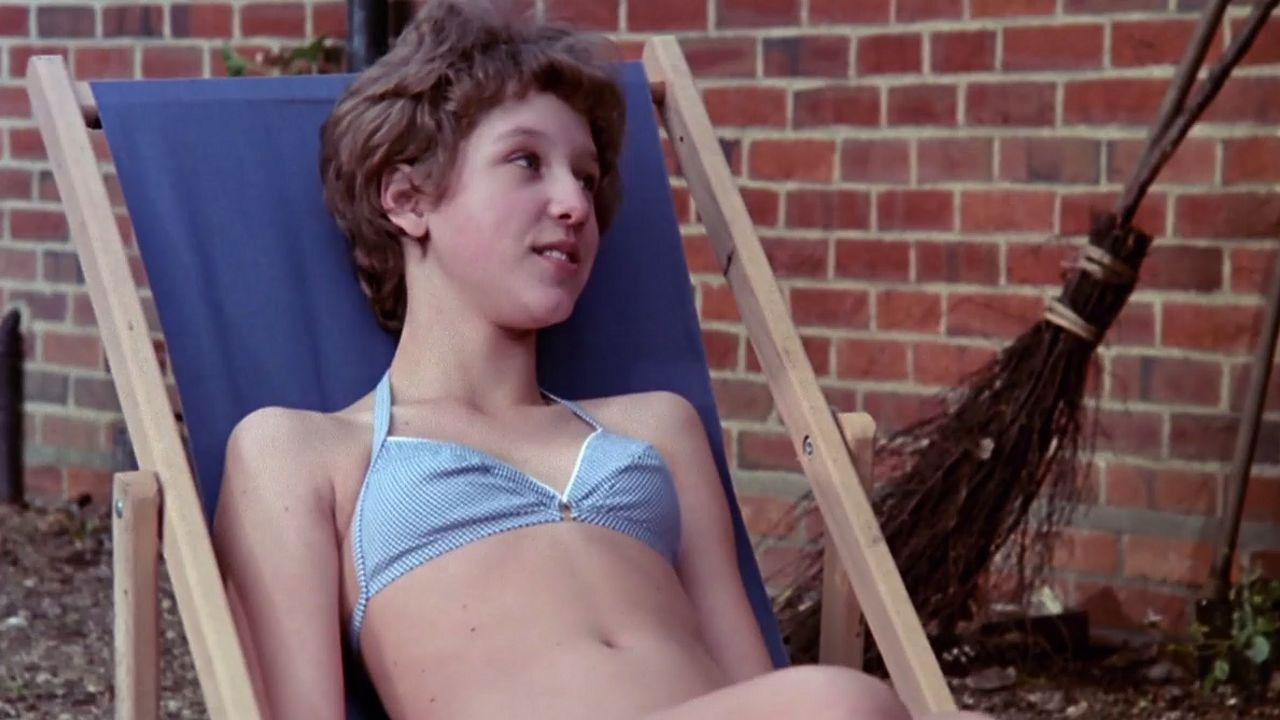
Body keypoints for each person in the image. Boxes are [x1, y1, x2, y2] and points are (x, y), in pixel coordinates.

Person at [212, 2, 990, 719]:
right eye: (526, 161)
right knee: (837, 704)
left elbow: (749, 684)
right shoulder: (303, 452)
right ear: (408, 200)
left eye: (585, 176)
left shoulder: (657, 430)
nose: (575, 204)